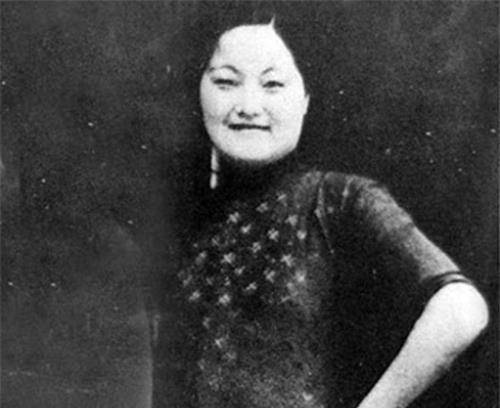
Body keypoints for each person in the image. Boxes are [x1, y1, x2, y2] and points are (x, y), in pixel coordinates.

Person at [152, 15, 489, 408]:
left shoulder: (340, 200)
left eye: (273, 84)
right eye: (226, 82)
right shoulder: (181, 215)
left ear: (305, 99)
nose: (248, 106)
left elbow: (461, 310)